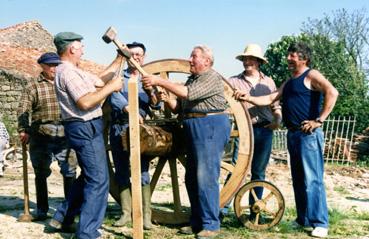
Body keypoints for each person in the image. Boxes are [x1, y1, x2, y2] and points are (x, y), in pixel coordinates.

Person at [234, 42, 338, 238]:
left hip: (308, 135)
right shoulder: (290, 81)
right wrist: (247, 98)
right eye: (289, 55)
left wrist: (319, 120)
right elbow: (270, 98)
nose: (288, 59)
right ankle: (303, 220)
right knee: (299, 180)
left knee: (313, 180)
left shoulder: (311, 75)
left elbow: (333, 92)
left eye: (293, 55)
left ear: (304, 58)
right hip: (293, 134)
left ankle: (320, 222)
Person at [142, 45, 231, 239]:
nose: (190, 60)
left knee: (206, 177)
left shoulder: (211, 77)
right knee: (192, 178)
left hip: (210, 125)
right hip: (194, 125)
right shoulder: (194, 79)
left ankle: (211, 225)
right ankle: (198, 222)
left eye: (194, 57)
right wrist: (166, 99)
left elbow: (187, 94)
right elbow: (178, 108)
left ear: (206, 61)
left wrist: (160, 80)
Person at [49, 32, 123, 239]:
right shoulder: (67, 73)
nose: (83, 50)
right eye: (81, 46)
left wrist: (119, 59)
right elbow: (85, 102)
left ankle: (63, 216)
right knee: (98, 180)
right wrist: (112, 88)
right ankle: (88, 233)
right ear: (72, 48)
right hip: (84, 126)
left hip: (85, 126)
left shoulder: (74, 71)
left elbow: (100, 81)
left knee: (89, 176)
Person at [223, 44, 282, 218]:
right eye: (245, 59)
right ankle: (222, 207)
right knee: (236, 168)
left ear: (258, 62)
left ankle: (254, 210)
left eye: (251, 59)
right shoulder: (233, 81)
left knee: (258, 172)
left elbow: (275, 105)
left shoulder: (269, 82)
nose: (247, 62)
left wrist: (278, 119)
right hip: (243, 132)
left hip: (264, 130)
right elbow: (223, 103)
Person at [16, 52, 77, 221]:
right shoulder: (32, 86)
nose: (54, 68)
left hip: (65, 133)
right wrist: (23, 129)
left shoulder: (65, 83)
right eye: (50, 65)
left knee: (70, 171)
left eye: (57, 65)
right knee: (41, 172)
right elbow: (23, 110)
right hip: (41, 134)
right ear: (42, 66)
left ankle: (69, 210)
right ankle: (42, 210)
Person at [108, 42, 159, 230]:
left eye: (140, 54)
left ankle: (146, 217)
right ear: (127, 56)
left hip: (140, 131)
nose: (136, 57)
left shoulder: (146, 78)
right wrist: (129, 108)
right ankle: (126, 214)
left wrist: (152, 93)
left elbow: (156, 105)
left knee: (143, 172)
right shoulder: (119, 77)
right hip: (119, 127)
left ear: (144, 57)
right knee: (121, 170)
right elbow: (113, 96)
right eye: (133, 54)